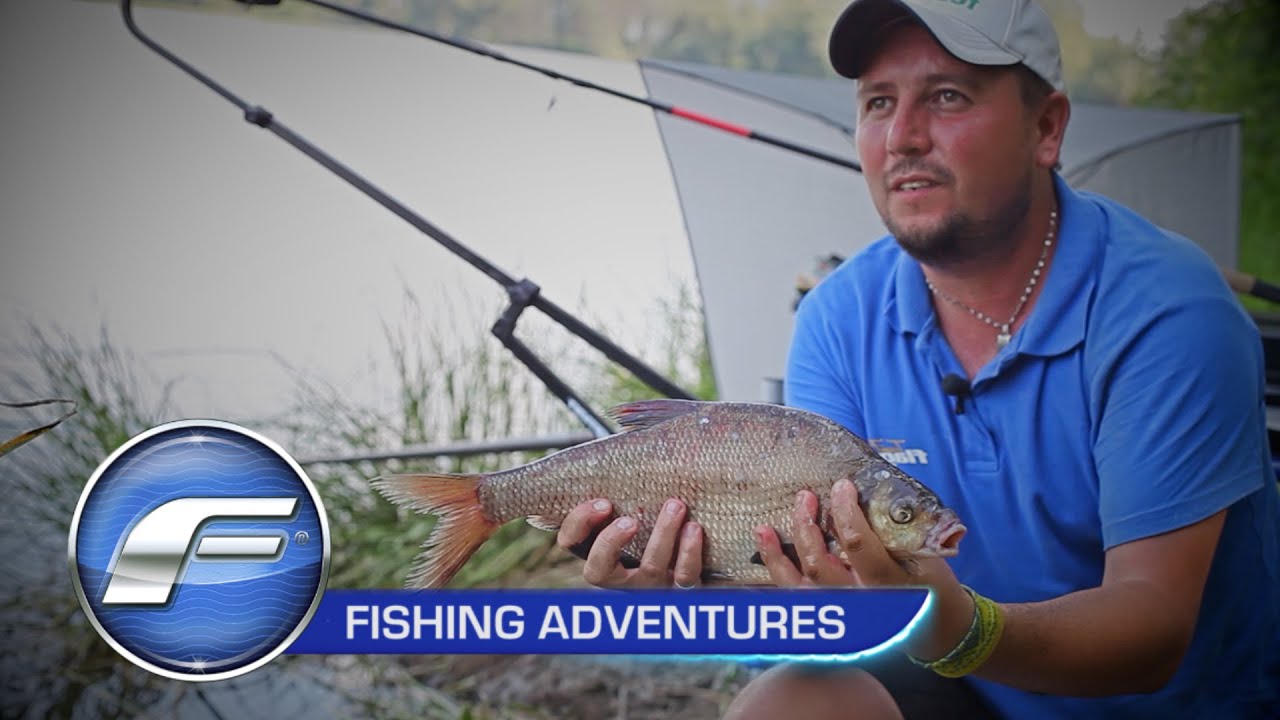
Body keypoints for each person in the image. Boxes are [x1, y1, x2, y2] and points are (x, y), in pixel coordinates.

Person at [555, 0, 1280, 717]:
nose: (901, 136)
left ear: (1046, 127)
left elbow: (1152, 627)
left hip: (1182, 706)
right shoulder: (838, 317)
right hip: (966, 691)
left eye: (947, 96)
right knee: (785, 703)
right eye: (877, 102)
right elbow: (819, 608)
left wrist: (958, 627)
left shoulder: (1171, 314)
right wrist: (712, 591)